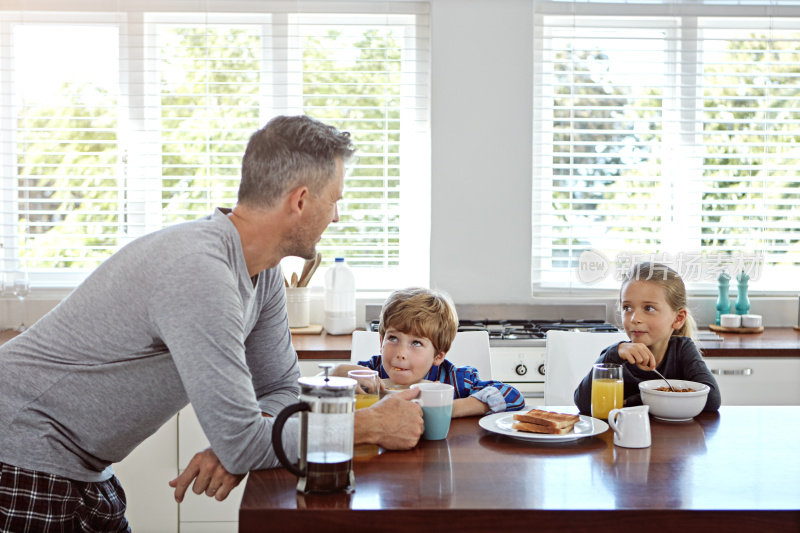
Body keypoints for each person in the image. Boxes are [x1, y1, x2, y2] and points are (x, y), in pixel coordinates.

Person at [0, 115, 424, 532]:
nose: (335, 218)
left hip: (77, 466)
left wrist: (246, 442)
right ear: (300, 200)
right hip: (21, 452)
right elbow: (243, 441)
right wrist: (368, 425)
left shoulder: (262, 271)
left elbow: (278, 387)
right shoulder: (199, 271)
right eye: (335, 200)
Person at [334, 287, 525, 416]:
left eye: (416, 343)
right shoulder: (370, 376)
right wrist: (340, 373)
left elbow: (513, 396)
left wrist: (448, 408)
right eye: (393, 338)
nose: (401, 353)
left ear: (438, 355)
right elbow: (321, 391)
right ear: (381, 340)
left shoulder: (455, 380)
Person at [574, 262, 721, 414]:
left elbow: (711, 400)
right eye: (627, 308)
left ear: (678, 318)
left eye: (649, 308)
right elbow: (584, 404)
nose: (634, 318)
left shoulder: (682, 350)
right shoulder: (616, 356)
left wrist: (637, 400)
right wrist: (613, 354)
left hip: (671, 437)